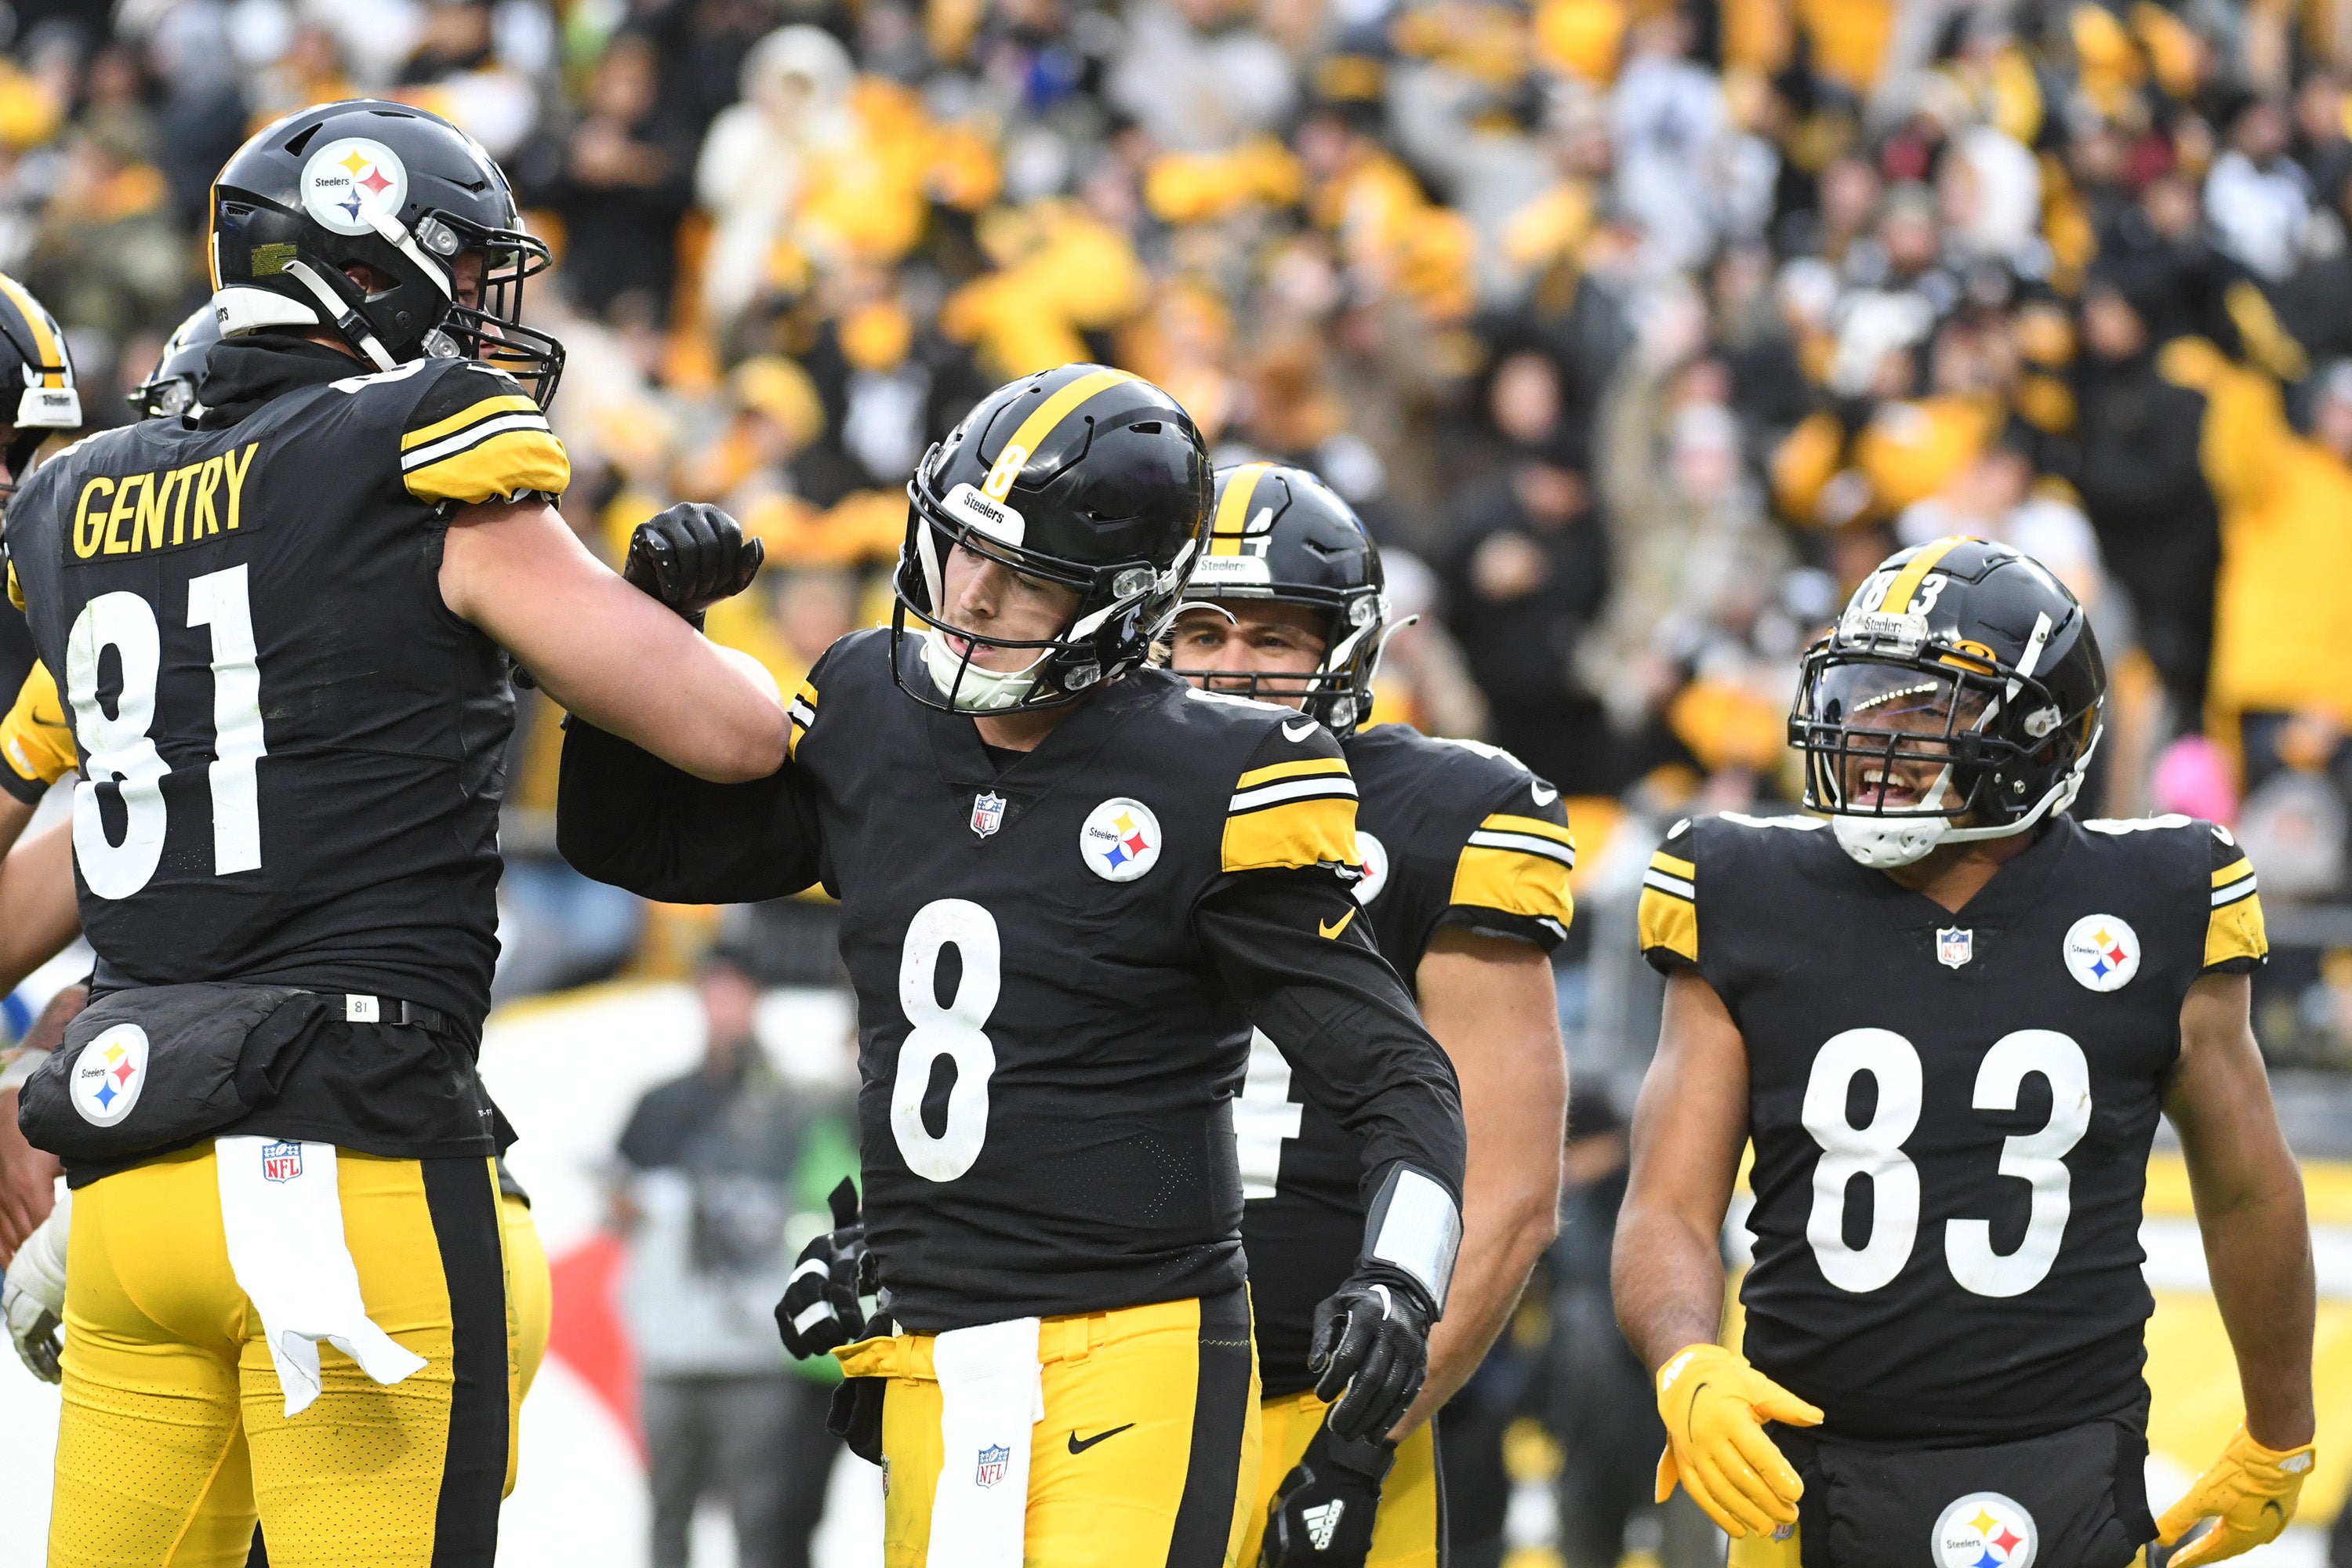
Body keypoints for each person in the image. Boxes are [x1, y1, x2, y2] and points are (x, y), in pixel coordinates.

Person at [3, 98, 784, 1567]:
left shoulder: (74, 498)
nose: (491, 327)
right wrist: (675, 627)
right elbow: (729, 734)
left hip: (133, 1191)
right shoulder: (412, 443)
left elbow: (82, 851)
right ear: (374, 268)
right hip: (346, 1163)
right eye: (471, 279)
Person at [557, 363, 1470, 1568]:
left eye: (1023, 574)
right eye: (958, 548)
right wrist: (642, 633)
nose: (971, 594)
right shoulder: (873, 708)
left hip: (1135, 1342)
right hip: (930, 1346)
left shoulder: (1219, 774)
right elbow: (631, 840)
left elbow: (1397, 1073)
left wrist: (1402, 1276)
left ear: (1126, 601)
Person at [1612, 537, 2317, 1566]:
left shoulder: (2162, 897)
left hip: (2070, 1462)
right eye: (1859, 697)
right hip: (1807, 1467)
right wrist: (1687, 1363)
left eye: (1917, 706)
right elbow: (1668, 1202)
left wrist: (2281, 1432)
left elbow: (2250, 1191)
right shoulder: (1743, 887)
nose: (1865, 735)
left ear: (2037, 730)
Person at [1159, 461, 1571, 1567]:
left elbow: (1513, 1190)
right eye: (1201, 632)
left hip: (1320, 1394)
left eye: (1274, 638)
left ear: (1344, 651)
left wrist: (1359, 1441)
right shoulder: (1088, 792)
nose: (1232, 669)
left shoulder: (1446, 813)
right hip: (1097, 1387)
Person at [612, 947, 823, 1568]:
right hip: (670, 1351)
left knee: (762, 1520)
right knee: (666, 1515)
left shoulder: (793, 1106)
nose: (724, 1005)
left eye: (737, 991)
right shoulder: (660, 1105)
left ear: (759, 999)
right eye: (714, 991)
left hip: (757, 1351)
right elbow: (619, 1209)